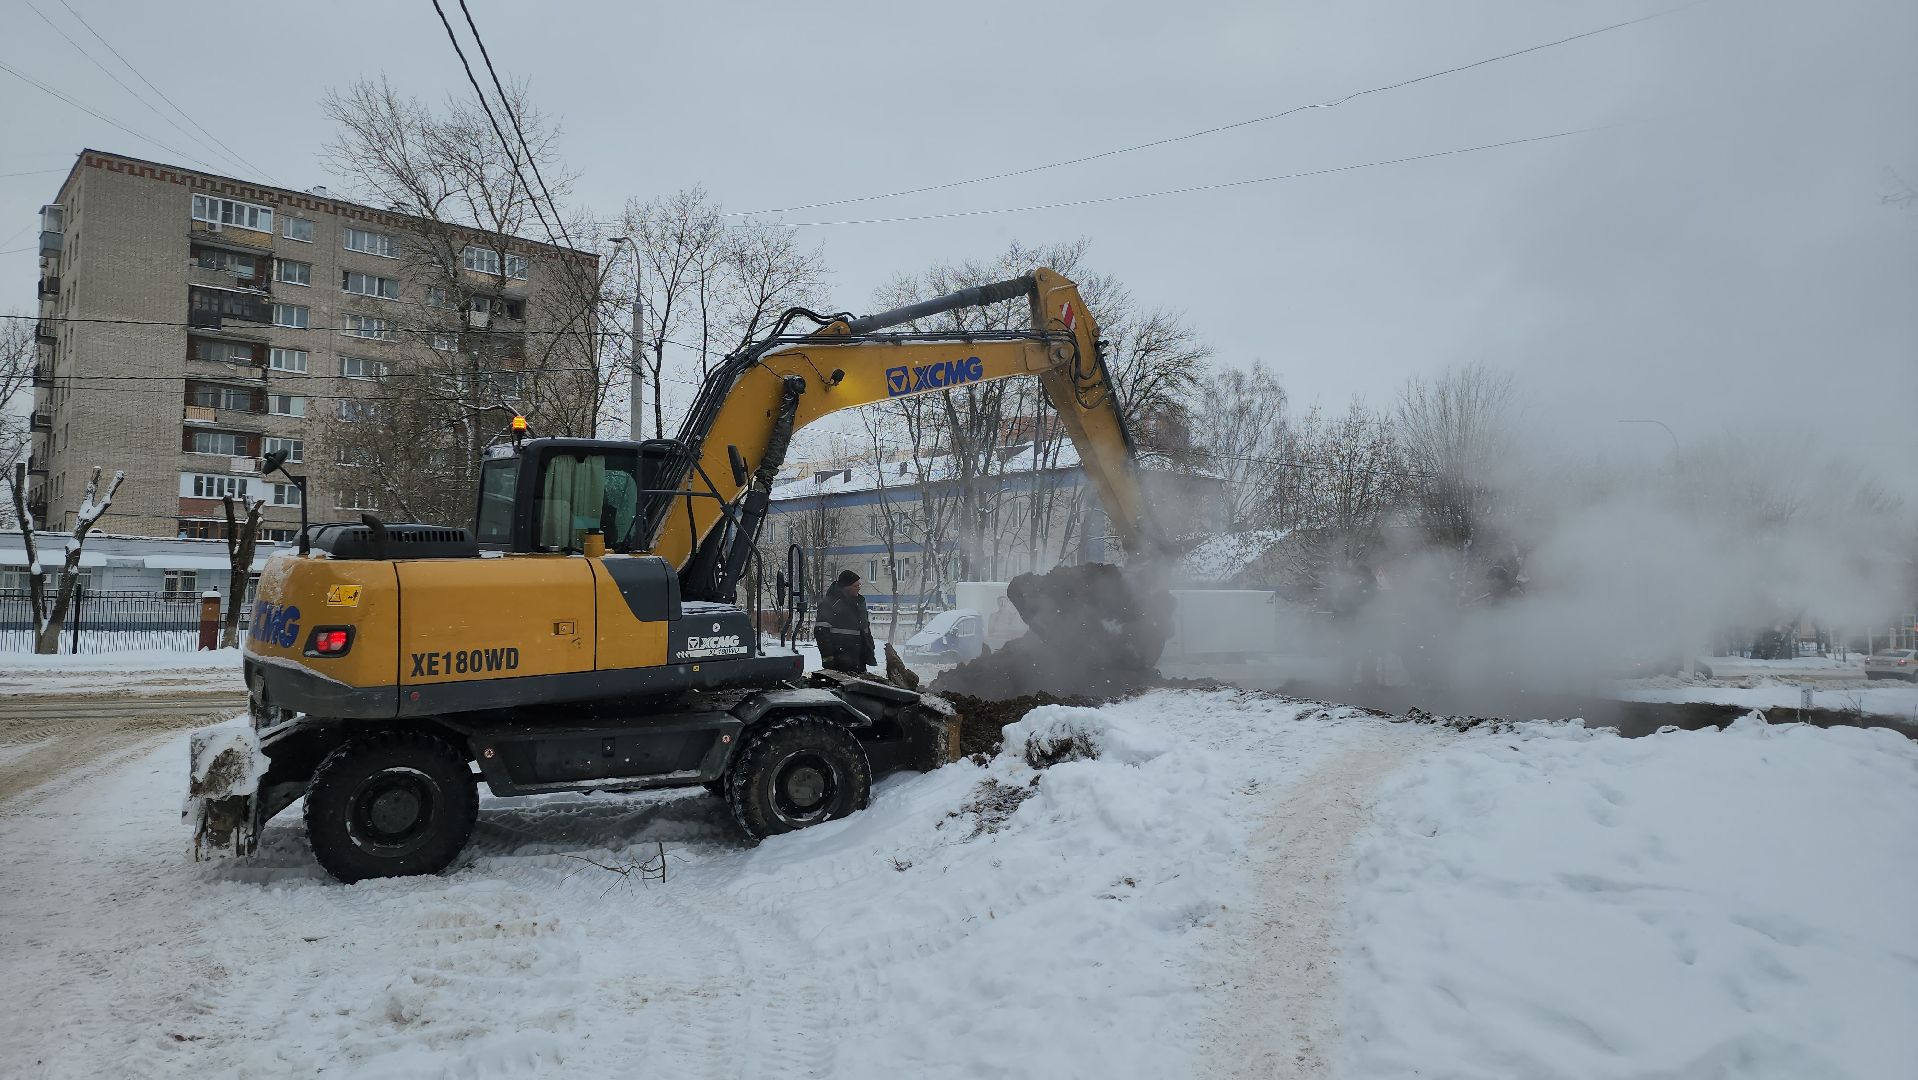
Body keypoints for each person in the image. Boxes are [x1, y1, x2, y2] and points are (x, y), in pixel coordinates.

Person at [815, 570, 877, 674]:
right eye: (855, 586)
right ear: (846, 587)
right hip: (840, 662)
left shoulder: (860, 603)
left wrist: (870, 650)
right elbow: (821, 633)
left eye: (859, 585)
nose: (859, 588)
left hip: (859, 661)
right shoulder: (830, 604)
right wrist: (828, 659)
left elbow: (866, 630)